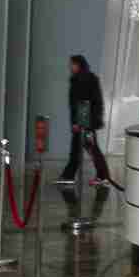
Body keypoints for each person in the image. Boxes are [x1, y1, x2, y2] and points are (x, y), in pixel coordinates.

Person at [55, 55, 111, 188]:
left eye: (72, 64)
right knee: (77, 150)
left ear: (79, 65)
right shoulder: (81, 79)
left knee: (91, 149)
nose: (70, 67)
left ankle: (103, 177)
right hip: (83, 122)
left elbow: (85, 103)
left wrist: (78, 123)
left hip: (85, 123)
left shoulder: (84, 80)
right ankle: (69, 176)